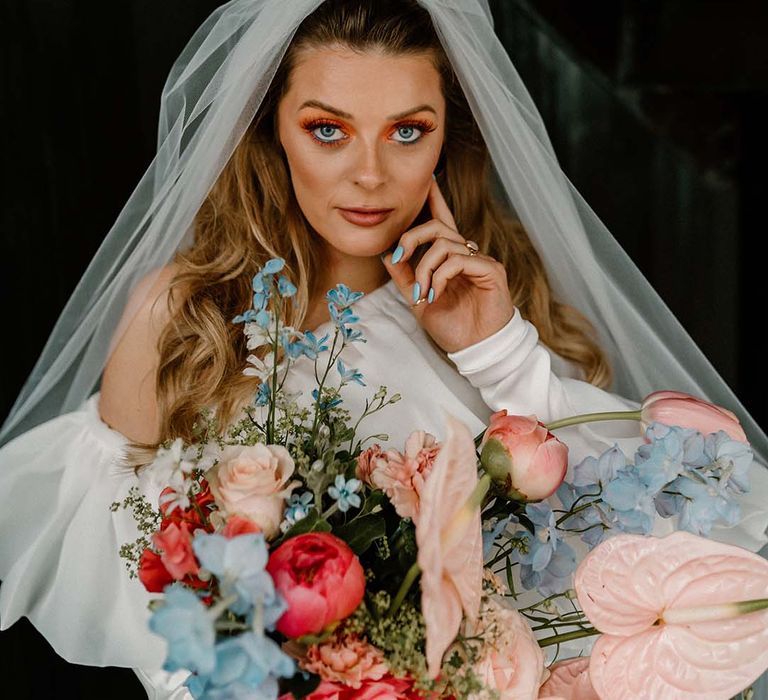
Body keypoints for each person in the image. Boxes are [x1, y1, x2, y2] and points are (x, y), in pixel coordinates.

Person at [1, 1, 766, 698]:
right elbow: (152, 617)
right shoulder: (182, 320)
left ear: (446, 134)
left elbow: (666, 531)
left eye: (408, 131)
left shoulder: (503, 291)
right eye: (327, 129)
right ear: (270, 126)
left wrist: (498, 352)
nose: (370, 174)